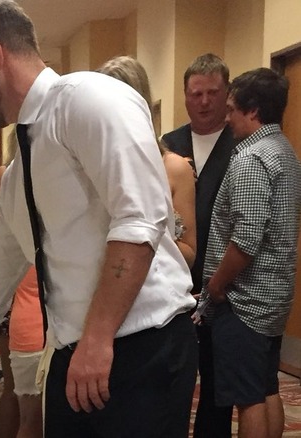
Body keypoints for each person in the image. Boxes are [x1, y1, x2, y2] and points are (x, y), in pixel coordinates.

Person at [0, 3, 198, 437]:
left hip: (140, 347)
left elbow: (140, 220)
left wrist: (96, 341)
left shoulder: (90, 99)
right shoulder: (20, 173)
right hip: (72, 350)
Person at [197, 67, 301, 438]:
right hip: (273, 298)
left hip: (245, 303)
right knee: (264, 386)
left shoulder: (252, 159)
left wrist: (216, 285)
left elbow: (245, 239)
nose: (226, 118)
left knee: (248, 398)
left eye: (230, 109)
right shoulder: (285, 152)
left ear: (252, 110)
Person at [162, 53, 236, 438]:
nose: (204, 101)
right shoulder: (167, 145)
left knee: (218, 382)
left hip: (226, 283)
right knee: (173, 380)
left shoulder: (240, 144)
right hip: (174, 281)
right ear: (185, 96)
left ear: (227, 94)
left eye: (213, 92)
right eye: (196, 93)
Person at [97, 56, 197, 267]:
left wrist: (144, 233)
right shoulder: (93, 165)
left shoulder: (174, 168)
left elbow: (189, 254)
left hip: (156, 287)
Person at [0, 128, 45, 438]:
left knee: (18, 390)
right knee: (23, 395)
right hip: (22, 291)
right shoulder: (7, 176)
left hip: (23, 292)